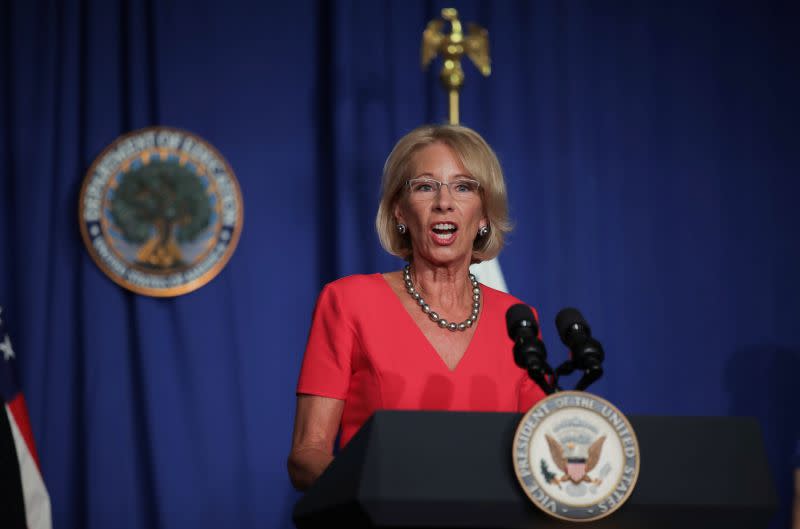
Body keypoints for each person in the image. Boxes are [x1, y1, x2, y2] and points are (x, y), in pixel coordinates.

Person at [287, 124, 546, 491]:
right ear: (399, 212)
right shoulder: (349, 302)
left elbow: (543, 454)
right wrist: (377, 494)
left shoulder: (518, 321)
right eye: (425, 186)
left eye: (464, 186)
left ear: (485, 214)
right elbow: (306, 454)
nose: (444, 202)